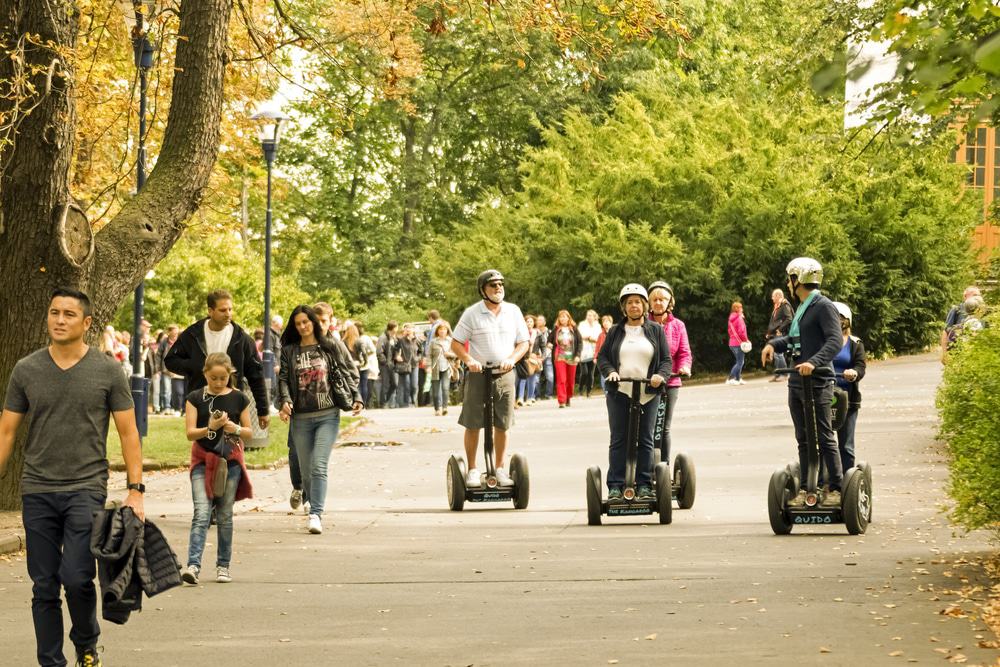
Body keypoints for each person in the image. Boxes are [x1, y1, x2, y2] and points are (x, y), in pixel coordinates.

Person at [0, 287, 145, 667]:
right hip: (37, 489)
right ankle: (51, 661)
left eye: (68, 314)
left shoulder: (107, 370)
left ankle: (86, 643)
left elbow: (129, 432)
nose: (59, 320)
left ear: (87, 322)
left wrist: (136, 491)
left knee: (78, 577)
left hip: (86, 487)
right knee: (44, 585)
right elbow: (6, 432)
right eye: (54, 313)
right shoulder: (26, 369)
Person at [761, 257, 844, 508]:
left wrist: (814, 362)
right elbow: (793, 339)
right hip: (797, 382)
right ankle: (811, 485)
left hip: (817, 381)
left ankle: (837, 487)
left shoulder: (823, 306)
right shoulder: (803, 307)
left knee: (824, 435)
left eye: (790, 279)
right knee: (804, 438)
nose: (788, 284)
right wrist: (772, 345)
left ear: (798, 280)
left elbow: (835, 340)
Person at [278, 305, 363, 534]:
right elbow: (284, 379)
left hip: (328, 414)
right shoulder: (289, 350)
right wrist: (284, 401)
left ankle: (316, 513)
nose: (303, 326)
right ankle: (309, 499)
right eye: (298, 323)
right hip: (301, 418)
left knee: (319, 465)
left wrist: (357, 396)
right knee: (306, 471)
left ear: (313, 322)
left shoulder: (330, 345)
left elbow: (346, 372)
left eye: (306, 321)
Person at [450, 269, 530, 487]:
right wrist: (468, 360)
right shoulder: (472, 313)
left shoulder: (513, 311)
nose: (498, 289)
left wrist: (512, 359)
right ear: (483, 290)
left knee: (502, 423)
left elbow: (524, 342)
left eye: (500, 284)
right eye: (493, 285)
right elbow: (456, 343)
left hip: (504, 374)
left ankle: (500, 468)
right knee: (473, 421)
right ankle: (474, 469)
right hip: (478, 374)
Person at [181, 353, 254, 586]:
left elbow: (250, 432)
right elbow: (190, 433)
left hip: (229, 462)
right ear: (205, 375)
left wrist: (236, 428)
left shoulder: (238, 398)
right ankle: (193, 565)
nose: (218, 382)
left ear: (229, 375)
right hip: (202, 460)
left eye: (223, 378)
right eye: (214, 378)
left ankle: (223, 565)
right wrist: (209, 427)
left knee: (224, 515)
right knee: (202, 513)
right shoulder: (195, 398)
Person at [597, 284, 671, 500]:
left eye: (638, 301)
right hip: (620, 391)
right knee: (619, 439)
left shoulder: (656, 330)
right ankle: (615, 486)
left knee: (646, 439)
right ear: (624, 307)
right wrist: (610, 372)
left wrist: (660, 376)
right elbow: (602, 358)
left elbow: (666, 360)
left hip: (648, 392)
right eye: (629, 302)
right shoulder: (615, 331)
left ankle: (645, 484)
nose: (634, 306)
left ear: (644, 305)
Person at [164, 289, 269, 432]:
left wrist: (263, 410)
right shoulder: (193, 334)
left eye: (230, 309)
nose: (228, 314)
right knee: (203, 445)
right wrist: (194, 366)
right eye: (223, 310)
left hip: (231, 401)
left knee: (230, 446)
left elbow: (256, 375)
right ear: (210, 311)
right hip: (201, 400)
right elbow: (170, 360)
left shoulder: (242, 339)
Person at [647, 281, 692, 463]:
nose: (658, 303)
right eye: (655, 299)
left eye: (662, 299)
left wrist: (684, 367)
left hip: (671, 382)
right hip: (646, 382)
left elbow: (684, 353)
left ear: (669, 302)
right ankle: (644, 469)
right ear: (649, 303)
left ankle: (662, 468)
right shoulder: (642, 324)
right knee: (646, 427)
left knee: (663, 428)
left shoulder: (678, 325)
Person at [830, 302, 866, 474]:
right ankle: (826, 480)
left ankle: (847, 479)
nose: (837, 321)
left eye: (840, 318)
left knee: (846, 445)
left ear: (847, 321)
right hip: (824, 395)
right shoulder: (824, 342)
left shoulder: (855, 343)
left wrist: (853, 372)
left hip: (847, 399)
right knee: (824, 443)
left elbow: (861, 366)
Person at [942, 286, 983, 359]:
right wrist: (944, 354)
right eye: (975, 295)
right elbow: (946, 331)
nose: (977, 298)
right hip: (959, 353)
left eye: (979, 295)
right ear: (965, 296)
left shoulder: (983, 311)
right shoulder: (957, 309)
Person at [552, 309, 582, 408]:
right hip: (560, 357)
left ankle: (568, 397)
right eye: (561, 317)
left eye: (564, 316)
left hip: (572, 357)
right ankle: (562, 401)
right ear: (559, 319)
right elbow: (550, 340)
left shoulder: (574, 328)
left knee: (570, 380)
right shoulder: (556, 329)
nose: (562, 318)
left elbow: (580, 343)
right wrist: (548, 345)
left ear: (568, 318)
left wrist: (578, 355)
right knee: (562, 379)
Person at [766, 288, 794, 382]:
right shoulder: (777, 306)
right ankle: (778, 374)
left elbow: (789, 319)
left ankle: (784, 374)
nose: (772, 298)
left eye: (773, 296)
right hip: (774, 333)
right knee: (776, 354)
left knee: (779, 354)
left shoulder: (784, 305)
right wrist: (769, 332)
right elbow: (773, 322)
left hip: (781, 333)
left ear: (778, 296)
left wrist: (780, 329)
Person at [429, 322, 456, 416]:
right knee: (436, 392)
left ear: (447, 331)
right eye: (440, 329)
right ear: (437, 331)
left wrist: (450, 355)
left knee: (445, 388)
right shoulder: (433, 342)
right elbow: (429, 355)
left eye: (444, 329)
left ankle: (445, 408)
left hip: (447, 367)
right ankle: (437, 409)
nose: (442, 331)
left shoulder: (451, 341)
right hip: (435, 368)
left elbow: (457, 354)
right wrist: (428, 366)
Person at [577, 309, 602, 397]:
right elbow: (579, 336)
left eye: (591, 315)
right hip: (583, 351)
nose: (589, 317)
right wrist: (588, 338)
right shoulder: (582, 324)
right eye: (588, 315)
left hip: (594, 351)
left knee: (591, 373)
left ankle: (588, 391)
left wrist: (593, 339)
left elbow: (599, 337)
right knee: (584, 372)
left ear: (594, 317)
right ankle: (580, 389)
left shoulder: (597, 326)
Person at [393, 324, 418, 408]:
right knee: (406, 384)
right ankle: (407, 403)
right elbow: (395, 350)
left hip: (414, 365)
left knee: (414, 385)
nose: (408, 330)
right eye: (407, 328)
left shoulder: (417, 340)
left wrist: (418, 358)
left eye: (410, 328)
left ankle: (413, 400)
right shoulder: (401, 340)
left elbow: (421, 351)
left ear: (413, 330)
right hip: (405, 365)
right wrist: (397, 356)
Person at [516, 314, 539, 407]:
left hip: (533, 358)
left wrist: (541, 357)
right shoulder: (520, 333)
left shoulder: (537, 333)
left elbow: (543, 346)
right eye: (527, 321)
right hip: (523, 358)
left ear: (534, 323)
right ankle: (520, 398)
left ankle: (529, 398)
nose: (529, 323)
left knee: (532, 379)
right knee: (522, 378)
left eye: (531, 321)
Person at [726, 302, 750, 385]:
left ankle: (738, 378)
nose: (742, 309)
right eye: (741, 307)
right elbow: (741, 332)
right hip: (739, 343)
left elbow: (730, 331)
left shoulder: (731, 319)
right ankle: (731, 378)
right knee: (740, 362)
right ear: (738, 309)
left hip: (732, 343)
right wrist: (746, 340)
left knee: (739, 361)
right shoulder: (739, 318)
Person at [376, 322, 398, 408]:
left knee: (394, 384)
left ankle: (385, 400)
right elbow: (379, 352)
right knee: (385, 384)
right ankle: (382, 403)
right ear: (393, 328)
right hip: (384, 364)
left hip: (391, 364)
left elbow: (394, 350)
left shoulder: (393, 338)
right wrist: (385, 362)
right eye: (397, 327)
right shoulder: (383, 337)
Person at [534, 314, 553, 400]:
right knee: (536, 378)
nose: (539, 321)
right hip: (537, 357)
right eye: (538, 320)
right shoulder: (533, 332)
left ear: (545, 322)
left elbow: (555, 343)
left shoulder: (550, 332)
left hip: (548, 356)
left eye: (541, 320)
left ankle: (548, 394)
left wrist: (551, 346)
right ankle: (537, 396)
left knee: (550, 377)